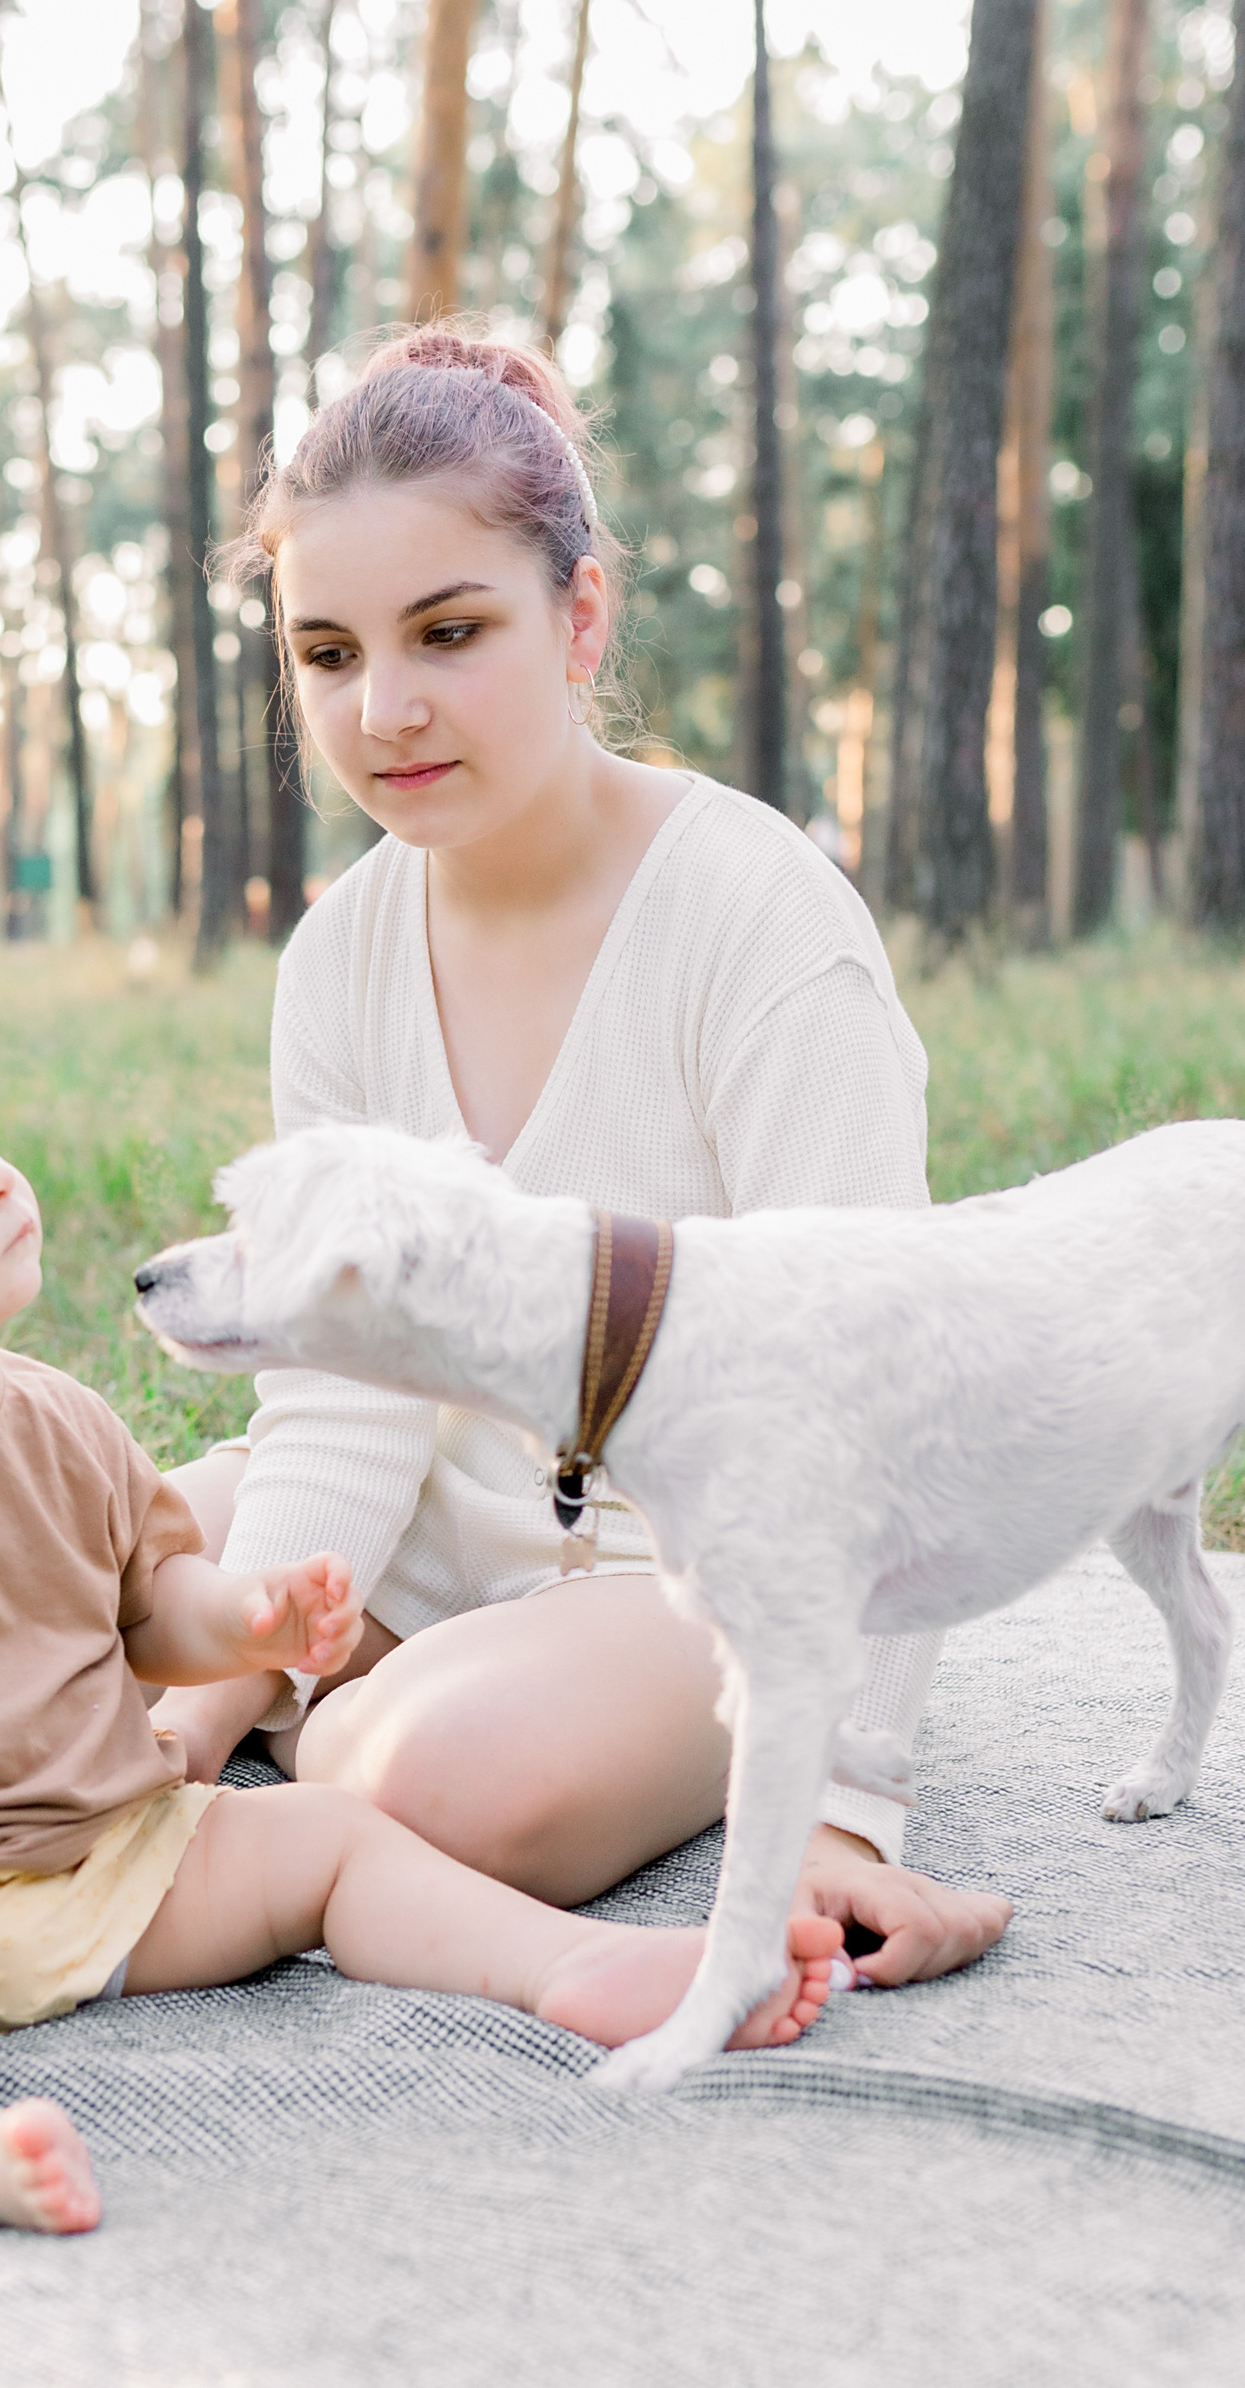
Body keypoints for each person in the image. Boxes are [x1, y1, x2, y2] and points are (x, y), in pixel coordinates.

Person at [0, 994, 843, 2235]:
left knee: (326, 1838)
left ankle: (562, 1965)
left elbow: (143, 1608)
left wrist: (241, 1622)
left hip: (113, 1861)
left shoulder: (52, 1421)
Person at [156, 324, 1013, 1986]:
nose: (383, 708)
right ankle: (316, 1735)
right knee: (74, 1579)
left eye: (449, 633)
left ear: (581, 616)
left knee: (442, 1781)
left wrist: (841, 1816)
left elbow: (879, 1388)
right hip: (422, 1544)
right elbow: (342, 1383)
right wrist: (197, 1706)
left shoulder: (757, 922)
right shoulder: (335, 963)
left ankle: (338, 1766)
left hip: (689, 1567)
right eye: (325, 653)